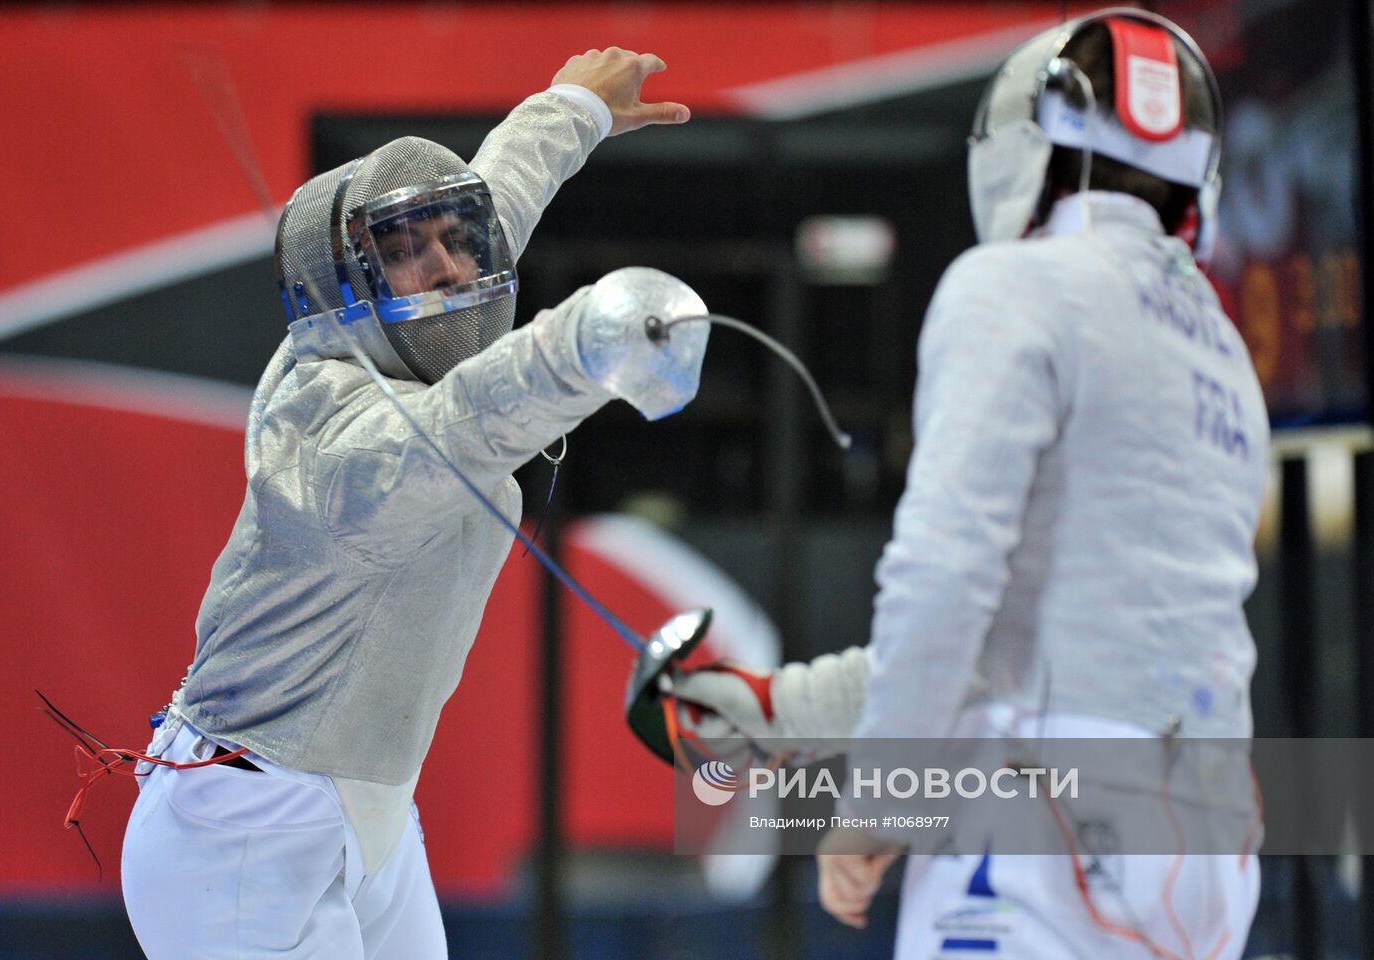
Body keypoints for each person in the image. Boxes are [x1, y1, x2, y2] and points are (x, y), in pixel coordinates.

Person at [671, 11, 1268, 958]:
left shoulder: (1013, 287)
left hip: (1045, 821)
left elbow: (948, 582)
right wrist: (785, 708)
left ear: (1028, 142)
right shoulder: (1223, 350)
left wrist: (875, 802)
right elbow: (1031, 636)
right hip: (1213, 843)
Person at [120, 48, 708, 960]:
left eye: (450, 240)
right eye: (402, 253)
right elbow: (460, 431)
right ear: (346, 288)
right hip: (243, 828)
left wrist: (570, 111)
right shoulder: (333, 439)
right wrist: (587, 344)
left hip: (369, 807)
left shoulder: (412, 332)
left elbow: (491, 211)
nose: (444, 268)